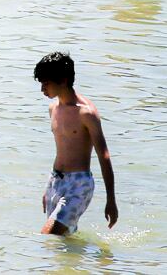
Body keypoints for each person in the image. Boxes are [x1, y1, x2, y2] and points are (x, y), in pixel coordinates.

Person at [32, 52, 117, 234]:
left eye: (46, 83)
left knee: (48, 236)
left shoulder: (86, 114)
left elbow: (104, 155)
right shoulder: (53, 108)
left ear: (63, 80)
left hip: (78, 185)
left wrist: (111, 200)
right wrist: (49, 188)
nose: (42, 89)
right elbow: (63, 149)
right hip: (56, 181)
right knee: (62, 241)